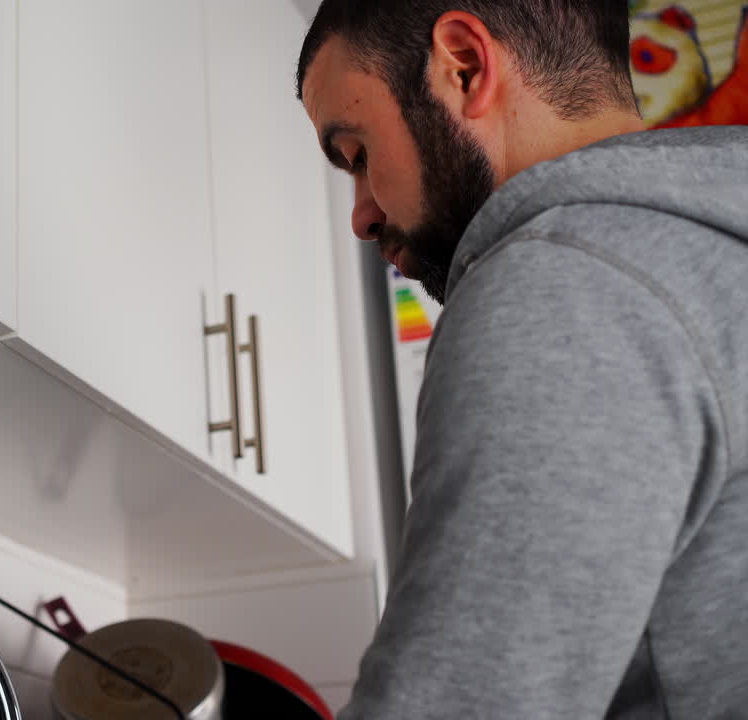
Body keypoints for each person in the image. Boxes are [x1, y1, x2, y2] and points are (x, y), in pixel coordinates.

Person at [295, 1, 748, 718]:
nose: (362, 215)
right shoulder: (710, 243)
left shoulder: (565, 282)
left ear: (464, 66)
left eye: (356, 156)